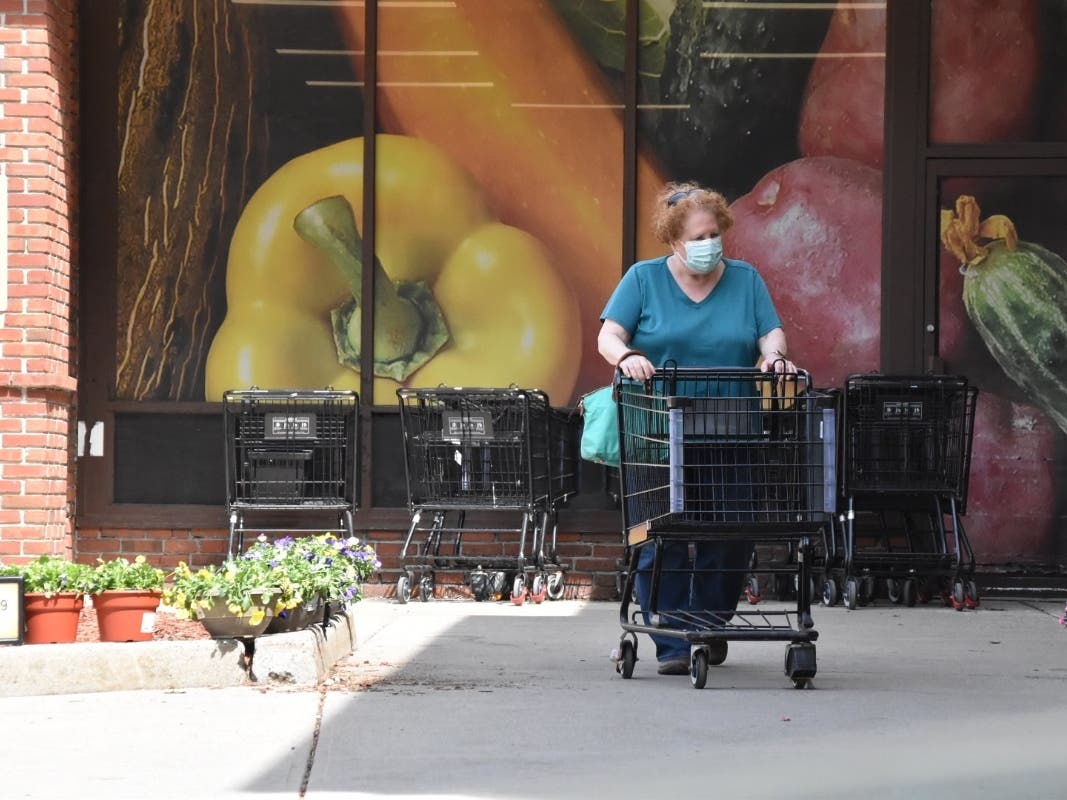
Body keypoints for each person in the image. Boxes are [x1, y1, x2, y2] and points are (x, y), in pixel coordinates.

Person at [598, 181, 797, 675]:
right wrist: (627, 357)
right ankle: (670, 637)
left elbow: (769, 330)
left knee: (727, 534)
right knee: (659, 535)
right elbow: (609, 334)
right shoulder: (643, 280)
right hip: (659, 433)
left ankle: (707, 624)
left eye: (715, 233)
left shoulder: (746, 280)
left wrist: (773, 357)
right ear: (673, 241)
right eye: (699, 236)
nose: (711, 243)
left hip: (731, 429)